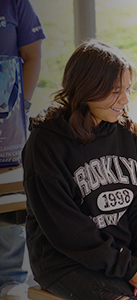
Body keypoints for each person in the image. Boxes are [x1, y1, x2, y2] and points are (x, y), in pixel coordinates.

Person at [21, 39, 137, 300]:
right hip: (65, 261)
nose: (125, 99)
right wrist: (125, 267)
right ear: (85, 88)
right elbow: (64, 227)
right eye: (115, 91)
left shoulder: (131, 134)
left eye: (128, 89)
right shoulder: (47, 141)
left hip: (128, 255)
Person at [0, 0, 44, 298]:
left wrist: (21, 107)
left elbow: (32, 54)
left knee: (9, 200)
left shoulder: (14, 4)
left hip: (6, 129)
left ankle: (9, 281)